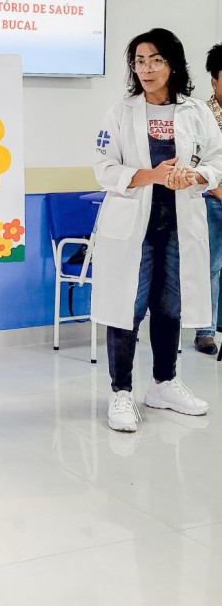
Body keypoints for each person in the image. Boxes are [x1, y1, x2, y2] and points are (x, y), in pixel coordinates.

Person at [92, 28, 222, 432]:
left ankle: (164, 384)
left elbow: (217, 161)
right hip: (133, 227)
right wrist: (151, 175)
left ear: (173, 64)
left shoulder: (196, 112)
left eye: (156, 60)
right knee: (126, 306)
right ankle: (121, 392)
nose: (146, 69)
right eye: (139, 61)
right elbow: (104, 168)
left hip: (180, 225)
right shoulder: (121, 111)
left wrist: (194, 177)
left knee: (170, 306)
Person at [193, 43, 222, 355]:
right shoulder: (202, 115)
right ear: (214, 80)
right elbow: (197, 162)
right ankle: (206, 331)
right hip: (212, 200)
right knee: (212, 266)